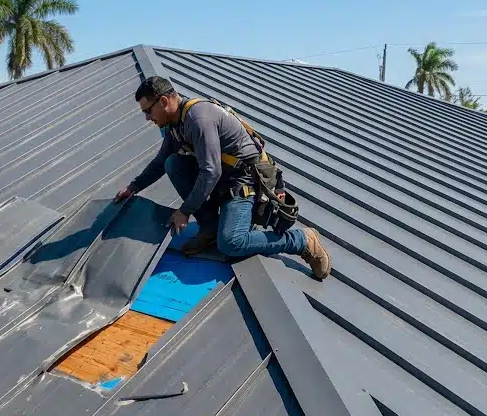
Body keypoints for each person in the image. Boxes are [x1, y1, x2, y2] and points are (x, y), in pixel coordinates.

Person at [115, 76, 332, 280]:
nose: (147, 118)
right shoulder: (176, 124)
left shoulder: (198, 119)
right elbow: (160, 163)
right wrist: (133, 187)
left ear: (163, 101)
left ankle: (302, 240)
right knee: (173, 163)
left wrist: (185, 211)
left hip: (244, 183)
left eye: (148, 111)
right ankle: (210, 227)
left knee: (231, 243)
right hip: (222, 182)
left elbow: (211, 172)